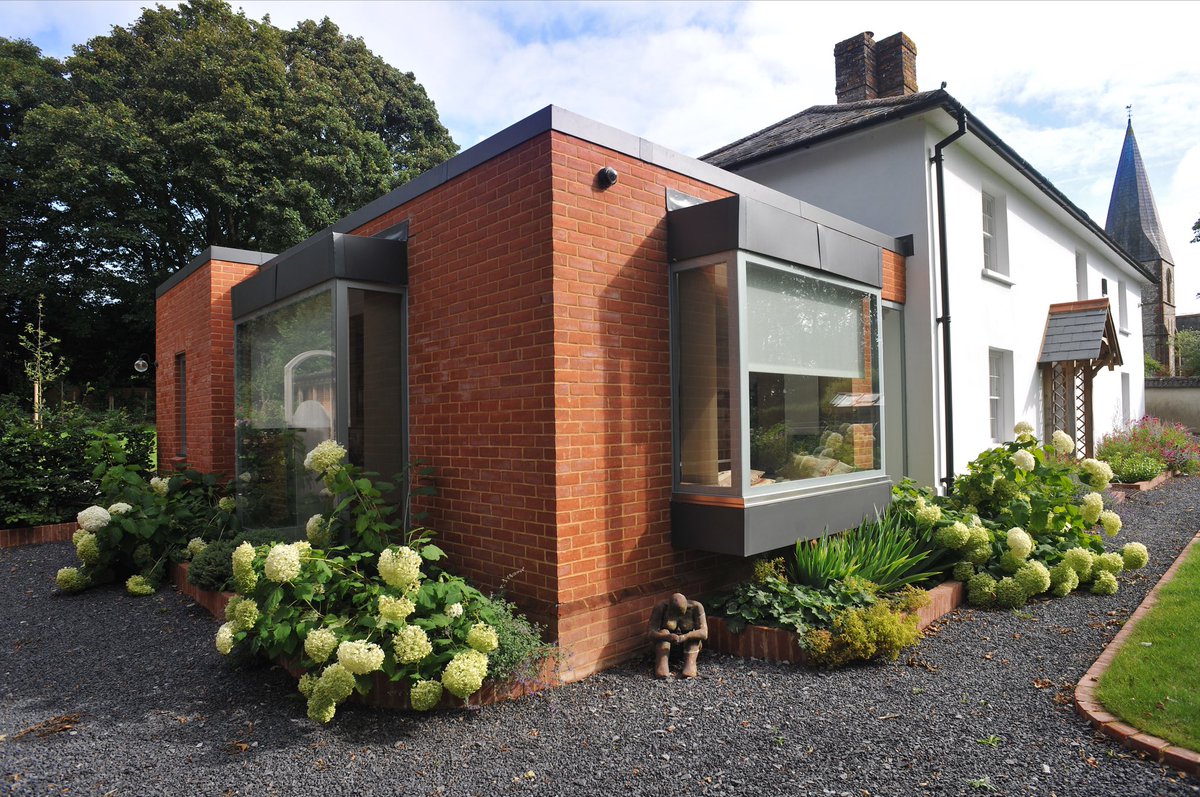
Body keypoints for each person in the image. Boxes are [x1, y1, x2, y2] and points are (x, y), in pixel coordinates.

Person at [648, 592, 708, 678]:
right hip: (666, 647)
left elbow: (704, 633)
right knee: (664, 632)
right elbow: (650, 633)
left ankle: (690, 665)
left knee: (694, 637)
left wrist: (685, 636)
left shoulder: (696, 607)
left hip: (687, 646)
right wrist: (666, 637)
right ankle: (662, 665)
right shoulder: (661, 607)